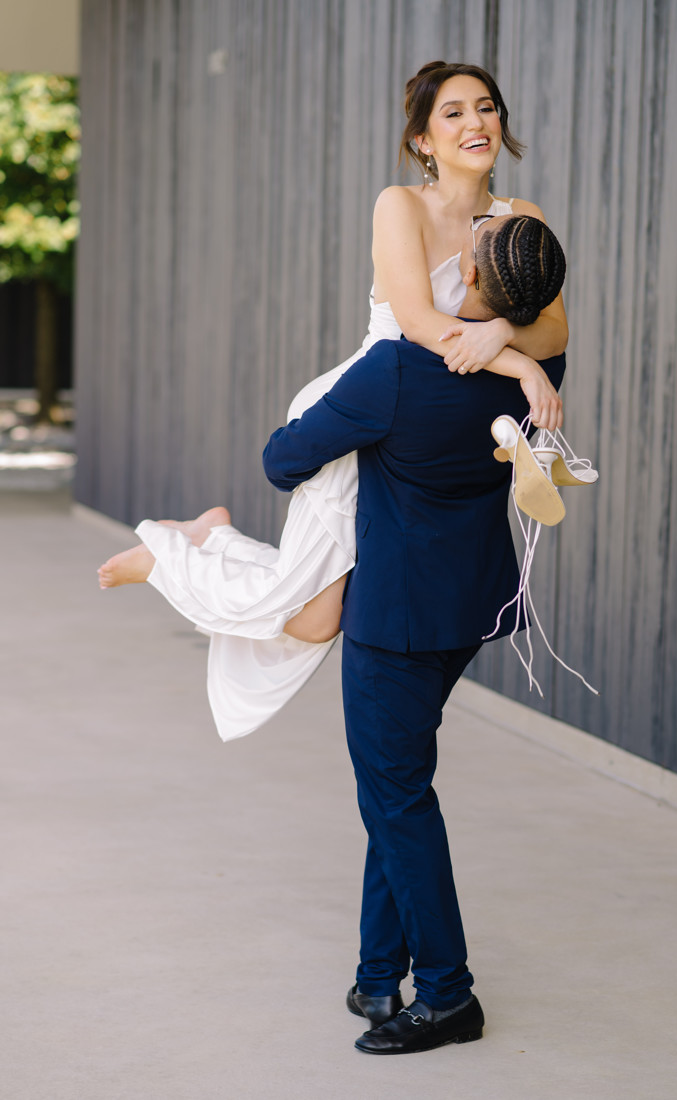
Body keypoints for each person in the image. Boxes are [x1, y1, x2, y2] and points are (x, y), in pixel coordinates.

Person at [97, 61, 569, 740]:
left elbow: (553, 324)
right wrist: (522, 367)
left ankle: (209, 538)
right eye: (453, 113)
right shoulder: (400, 204)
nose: (475, 123)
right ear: (423, 140)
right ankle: (171, 556)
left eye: (486, 107)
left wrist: (501, 330)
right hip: (363, 407)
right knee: (314, 615)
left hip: (410, 412)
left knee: (316, 618)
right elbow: (417, 323)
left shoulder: (521, 218)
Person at [261, 224, 566, 1054]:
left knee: (397, 798)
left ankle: (446, 995)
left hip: (393, 620)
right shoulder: (538, 372)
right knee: (394, 789)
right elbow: (526, 337)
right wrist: (513, 340)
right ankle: (374, 972)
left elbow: (282, 460)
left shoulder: (395, 367)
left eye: (473, 236)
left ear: (464, 270)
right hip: (470, 606)